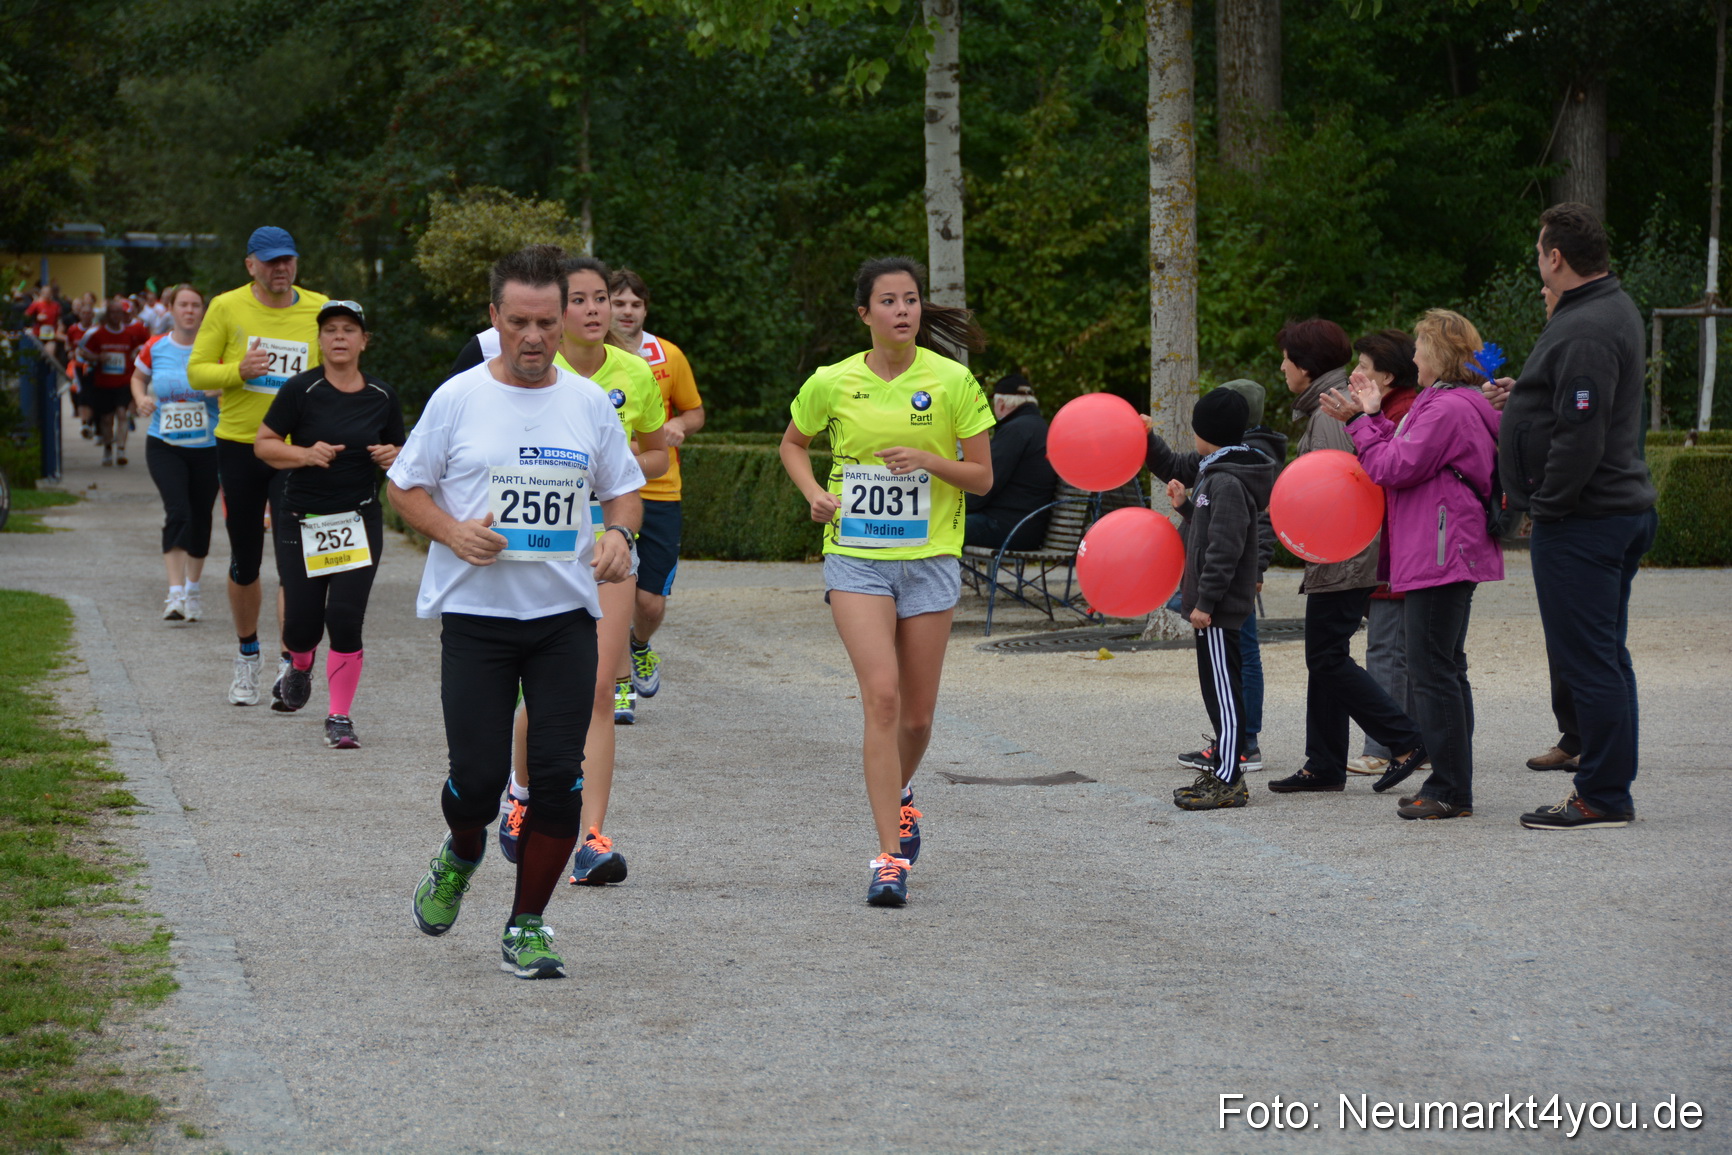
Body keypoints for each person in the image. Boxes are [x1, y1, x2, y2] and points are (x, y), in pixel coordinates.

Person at [387, 245, 643, 978]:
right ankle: (463, 850)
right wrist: (450, 531)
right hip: (477, 618)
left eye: (547, 322)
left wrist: (620, 535)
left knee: (560, 779)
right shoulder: (458, 397)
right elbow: (403, 486)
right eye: (519, 322)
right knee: (476, 780)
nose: (534, 337)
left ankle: (527, 923)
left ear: (564, 319)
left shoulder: (588, 403)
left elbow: (624, 489)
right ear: (494, 317)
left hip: (564, 618)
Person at [779, 255, 994, 907]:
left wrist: (930, 459)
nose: (903, 310)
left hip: (930, 560)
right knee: (882, 698)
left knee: (918, 717)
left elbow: (983, 478)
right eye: (889, 300)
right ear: (864, 313)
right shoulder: (833, 380)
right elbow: (792, 444)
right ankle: (888, 858)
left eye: (911, 299)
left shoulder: (953, 380)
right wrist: (815, 494)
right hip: (856, 556)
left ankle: (900, 790)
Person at [1484, 204, 1658, 831]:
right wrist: (1526, 399)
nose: (1538, 260)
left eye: (1539, 251)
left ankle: (1602, 795)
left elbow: (1581, 433)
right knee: (1604, 655)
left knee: (1589, 660)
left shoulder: (1586, 326)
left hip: (1585, 520)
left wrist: (1548, 508)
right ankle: (1608, 786)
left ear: (1555, 257)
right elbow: (1576, 404)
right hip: (1606, 513)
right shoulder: (1604, 308)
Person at [495, 257, 665, 888]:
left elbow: (656, 453)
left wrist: (618, 462)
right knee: (542, 689)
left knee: (597, 688)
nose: (595, 310)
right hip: (540, 544)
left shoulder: (634, 372)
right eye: (582, 300)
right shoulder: (532, 370)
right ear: (558, 312)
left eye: (603, 299)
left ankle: (591, 837)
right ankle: (520, 791)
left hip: (609, 541)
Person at [1322, 309, 1503, 819]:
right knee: (1445, 668)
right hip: (1444, 547)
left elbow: (1392, 466)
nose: (1414, 357)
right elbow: (1406, 450)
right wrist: (1372, 416)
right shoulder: (1449, 401)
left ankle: (1450, 789)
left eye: (1421, 348)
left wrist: (1357, 423)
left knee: (1433, 672)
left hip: (1440, 549)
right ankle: (1451, 782)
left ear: (1439, 355)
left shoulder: (1447, 407)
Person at [1268, 318, 1426, 795]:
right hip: (1341, 553)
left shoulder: (1329, 412)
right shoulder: (1329, 405)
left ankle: (1404, 739)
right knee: (1326, 657)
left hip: (1343, 555)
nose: (1281, 368)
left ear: (1304, 365)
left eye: (1286, 360)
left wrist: (1322, 544)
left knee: (1326, 656)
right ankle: (1323, 763)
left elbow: (1344, 487)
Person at [188, 226, 328, 707]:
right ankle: (247, 653)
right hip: (241, 447)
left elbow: (336, 372)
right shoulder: (226, 307)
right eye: (270, 261)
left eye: (287, 259)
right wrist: (238, 371)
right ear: (251, 265)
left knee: (293, 562)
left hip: (293, 452)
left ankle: (292, 663)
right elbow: (197, 371)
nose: (280, 268)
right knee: (245, 559)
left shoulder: (319, 309)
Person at [254, 301, 404, 749]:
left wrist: (395, 455)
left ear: (364, 341)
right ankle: (300, 665)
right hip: (302, 520)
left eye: (349, 330)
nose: (340, 337)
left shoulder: (382, 395)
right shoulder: (301, 389)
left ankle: (339, 717)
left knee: (344, 617)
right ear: (319, 340)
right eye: (331, 330)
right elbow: (264, 444)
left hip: (358, 519)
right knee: (301, 626)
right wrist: (303, 454)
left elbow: (404, 451)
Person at [1145, 379, 1285, 774]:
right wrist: (1186, 507)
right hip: (1212, 605)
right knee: (1217, 684)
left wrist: (1205, 602)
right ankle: (1227, 755)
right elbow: (1214, 527)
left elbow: (1225, 548)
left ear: (1205, 433)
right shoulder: (1216, 470)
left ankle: (1229, 770)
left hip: (1218, 606)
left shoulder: (1226, 479)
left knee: (1224, 687)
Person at [609, 267, 706, 705]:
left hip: (660, 488)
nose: (627, 311)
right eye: (618, 302)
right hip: (608, 493)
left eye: (636, 304)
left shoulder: (668, 355)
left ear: (646, 310)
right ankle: (618, 686)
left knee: (649, 603)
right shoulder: (583, 357)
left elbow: (695, 411)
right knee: (612, 589)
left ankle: (639, 645)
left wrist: (680, 425)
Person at [1341, 330, 1423, 776]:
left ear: (1387, 377)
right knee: (1407, 651)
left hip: (1395, 548)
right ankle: (1419, 743)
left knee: (1387, 648)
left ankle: (1385, 747)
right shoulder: (1403, 407)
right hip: (1398, 546)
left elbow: (1386, 471)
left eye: (1364, 366)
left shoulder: (1401, 412)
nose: (1355, 372)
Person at [131, 284, 220, 623]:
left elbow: (234, 381)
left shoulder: (216, 348)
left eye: (196, 305)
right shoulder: (156, 346)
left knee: (201, 516)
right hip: (164, 444)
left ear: (203, 311)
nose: (189, 311)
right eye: (183, 304)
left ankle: (193, 589)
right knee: (178, 511)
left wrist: (221, 386)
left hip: (208, 446)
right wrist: (141, 399)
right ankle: (175, 593)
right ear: (170, 309)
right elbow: (137, 378)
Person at [963, 373, 1058, 551]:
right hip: (1025, 526)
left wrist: (956, 508)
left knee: (939, 528)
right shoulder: (1039, 427)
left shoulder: (1016, 430)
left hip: (1008, 527)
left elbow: (985, 484)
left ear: (1001, 404)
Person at [78, 294, 150, 467]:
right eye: (113, 312)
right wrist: (97, 357)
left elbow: (144, 348)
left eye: (120, 313)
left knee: (122, 414)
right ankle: (108, 449)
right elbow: (82, 352)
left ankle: (121, 450)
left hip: (124, 381)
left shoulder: (130, 333)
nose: (117, 316)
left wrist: (137, 354)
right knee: (107, 419)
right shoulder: (98, 334)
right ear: (107, 315)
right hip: (104, 383)